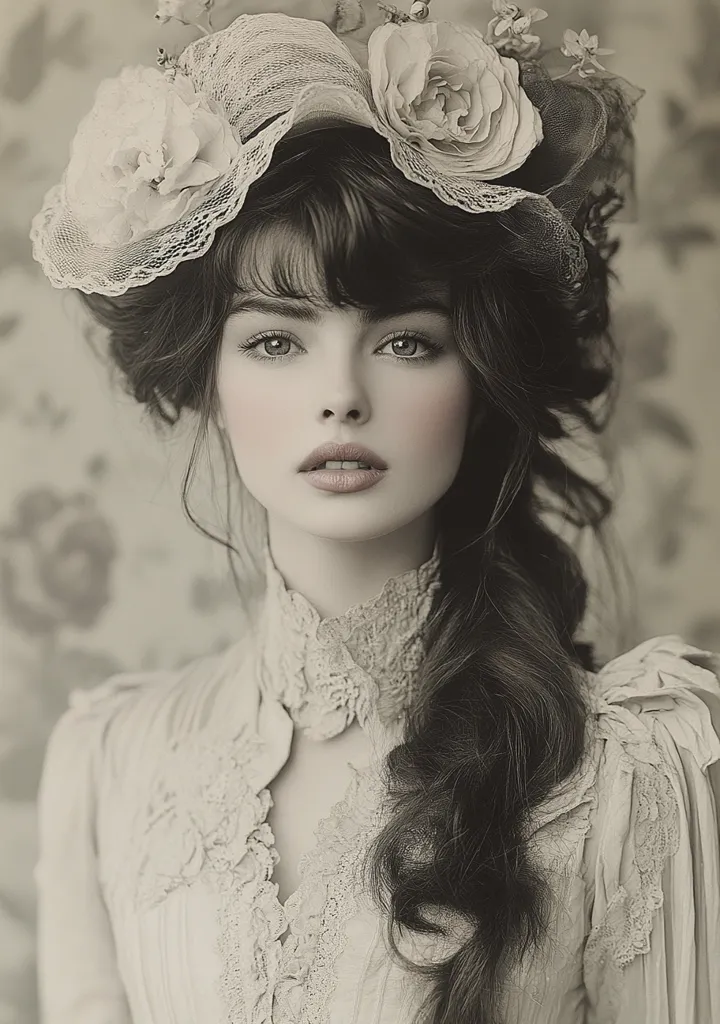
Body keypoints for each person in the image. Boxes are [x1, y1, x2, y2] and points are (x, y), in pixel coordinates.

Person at [28, 2, 720, 1022]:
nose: (341, 396)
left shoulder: (626, 774)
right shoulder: (109, 761)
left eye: (406, 342)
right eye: (275, 341)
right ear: (207, 378)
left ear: (478, 377)